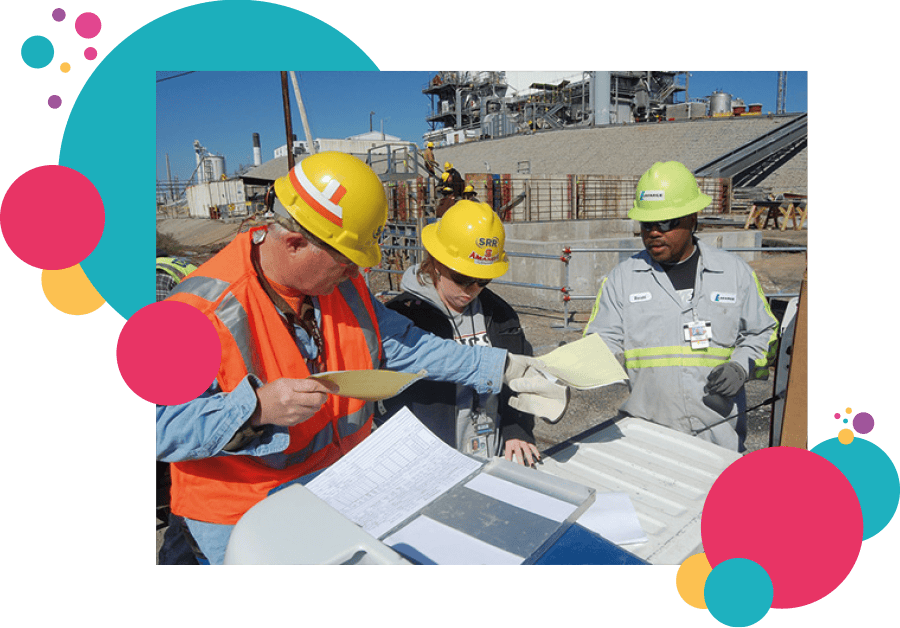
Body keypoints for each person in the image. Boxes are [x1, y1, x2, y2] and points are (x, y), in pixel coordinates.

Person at [156, 151, 566, 564]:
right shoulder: (194, 311)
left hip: (340, 490)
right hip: (245, 518)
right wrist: (255, 409)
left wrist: (504, 367)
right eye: (348, 260)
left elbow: (410, 345)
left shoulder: (341, 287)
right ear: (295, 243)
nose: (357, 273)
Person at [582, 161, 778, 452]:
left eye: (665, 223)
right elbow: (600, 343)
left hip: (718, 440)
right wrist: (563, 371)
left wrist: (741, 366)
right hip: (646, 440)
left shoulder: (734, 273)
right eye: (646, 224)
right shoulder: (622, 279)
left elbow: (766, 335)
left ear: (692, 218)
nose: (653, 233)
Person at [378, 201, 558, 467]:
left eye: (483, 280)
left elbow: (518, 383)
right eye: (462, 277)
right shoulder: (403, 318)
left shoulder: (499, 314)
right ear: (437, 261)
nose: (472, 289)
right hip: (430, 462)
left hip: (493, 455)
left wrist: (516, 429)